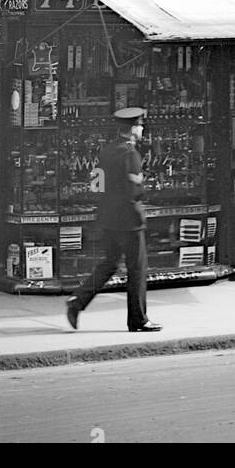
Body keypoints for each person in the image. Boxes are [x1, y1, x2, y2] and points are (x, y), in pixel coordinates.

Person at [65, 107, 162, 333]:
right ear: (132, 129)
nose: (142, 129)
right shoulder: (131, 154)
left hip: (108, 218)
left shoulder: (106, 151)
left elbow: (96, 184)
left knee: (109, 263)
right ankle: (138, 319)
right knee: (137, 269)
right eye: (140, 126)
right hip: (129, 221)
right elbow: (134, 190)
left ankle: (78, 301)